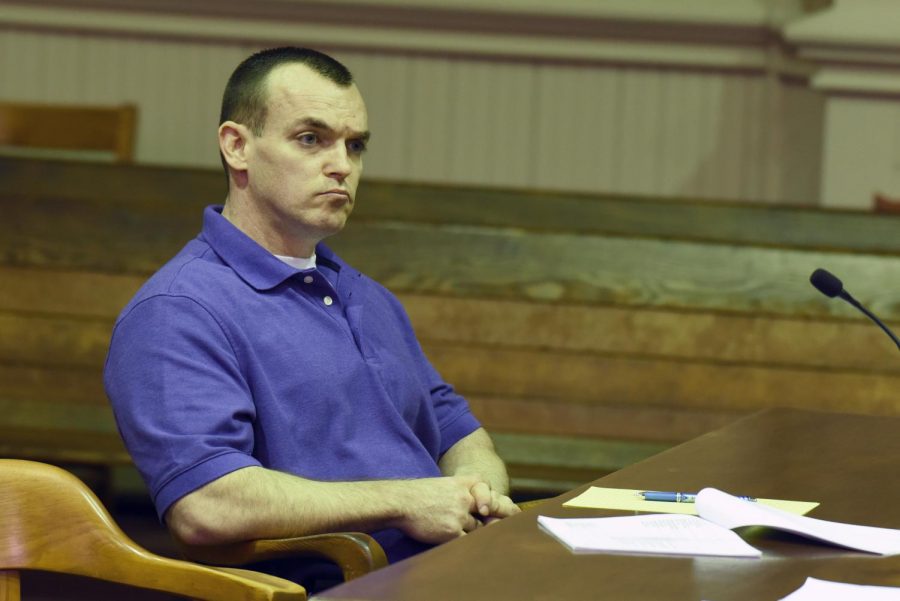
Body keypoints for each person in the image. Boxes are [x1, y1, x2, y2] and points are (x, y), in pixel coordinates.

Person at [103, 46, 519, 590]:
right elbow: (206, 506)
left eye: (355, 145)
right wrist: (410, 500)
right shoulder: (178, 311)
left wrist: (476, 488)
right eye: (311, 139)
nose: (342, 165)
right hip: (347, 582)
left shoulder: (365, 295)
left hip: (454, 571)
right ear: (237, 146)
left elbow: (459, 434)